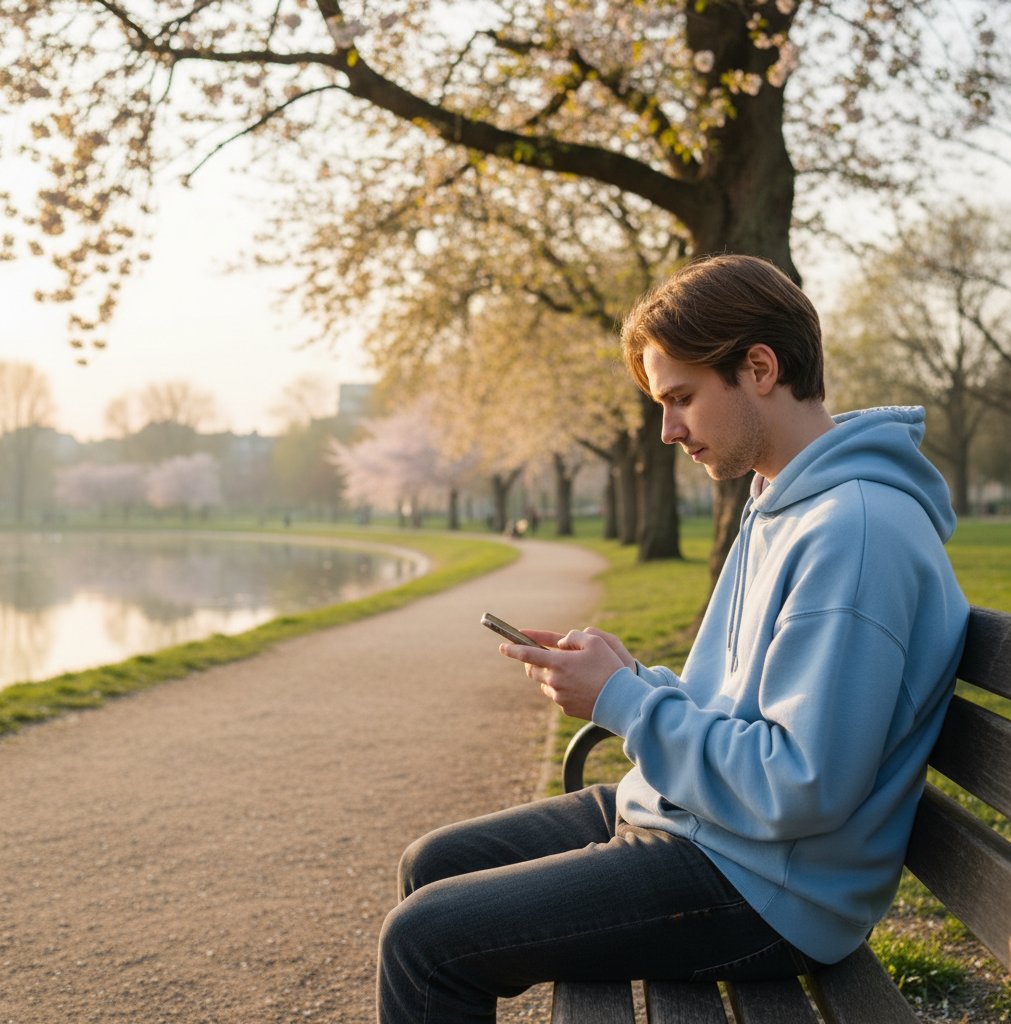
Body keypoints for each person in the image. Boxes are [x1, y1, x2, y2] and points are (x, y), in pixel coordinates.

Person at [375, 254, 970, 1024]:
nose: (668, 430)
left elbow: (801, 786)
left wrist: (623, 703)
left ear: (759, 367)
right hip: (709, 826)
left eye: (681, 398)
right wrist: (632, 679)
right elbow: (743, 710)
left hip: (764, 887)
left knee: (425, 942)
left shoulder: (852, 533)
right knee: (434, 863)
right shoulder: (782, 500)